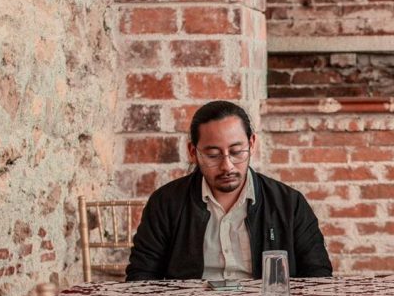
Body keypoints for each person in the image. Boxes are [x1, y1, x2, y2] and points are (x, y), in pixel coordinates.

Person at [126, 100, 332, 281]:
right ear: (193, 152)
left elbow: (318, 277)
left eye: (236, 152)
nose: (227, 166)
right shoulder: (166, 203)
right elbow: (141, 277)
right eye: (213, 155)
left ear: (251, 144)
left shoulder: (289, 204)